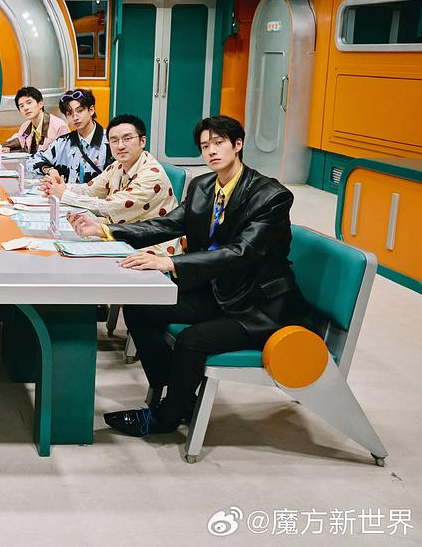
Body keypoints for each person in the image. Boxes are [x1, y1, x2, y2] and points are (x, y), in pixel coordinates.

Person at [68, 115, 308, 438]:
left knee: (192, 341)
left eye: (219, 143)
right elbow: (168, 224)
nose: (211, 151)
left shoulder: (271, 196)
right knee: (139, 307)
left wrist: (170, 263)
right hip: (217, 292)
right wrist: (106, 230)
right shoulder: (203, 186)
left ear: (238, 145)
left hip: (257, 306)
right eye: (205, 146)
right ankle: (177, 396)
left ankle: (166, 418)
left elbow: (241, 251)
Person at [41, 114, 181, 257]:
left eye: (127, 139)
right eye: (114, 140)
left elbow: (108, 207)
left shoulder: (152, 175)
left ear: (142, 141)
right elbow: (90, 189)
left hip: (152, 247)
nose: (120, 146)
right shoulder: (118, 165)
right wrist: (61, 187)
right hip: (121, 235)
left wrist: (64, 195)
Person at [28, 89, 112, 183]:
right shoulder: (63, 142)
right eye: (69, 113)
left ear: (91, 110)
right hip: (65, 192)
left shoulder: (110, 142)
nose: (75, 117)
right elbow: (32, 160)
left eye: (80, 111)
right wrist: (49, 170)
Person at [0, 86, 67, 154]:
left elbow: (65, 154)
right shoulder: (25, 126)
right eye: (21, 106)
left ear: (40, 104)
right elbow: (21, 139)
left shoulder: (59, 126)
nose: (25, 108)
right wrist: (8, 148)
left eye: (29, 103)